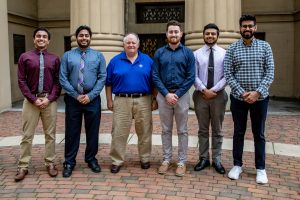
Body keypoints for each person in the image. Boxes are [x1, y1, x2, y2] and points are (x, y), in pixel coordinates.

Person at [224, 14, 274, 184]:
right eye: (244, 26)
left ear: (255, 28)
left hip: (260, 99)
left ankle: (261, 168)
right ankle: (237, 165)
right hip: (239, 99)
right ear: (240, 28)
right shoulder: (232, 48)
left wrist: (257, 93)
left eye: (250, 26)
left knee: (258, 134)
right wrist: (242, 92)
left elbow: (270, 73)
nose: (247, 29)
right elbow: (228, 74)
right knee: (238, 132)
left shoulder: (265, 47)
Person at [106, 33, 157, 174]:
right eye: (128, 42)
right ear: (124, 45)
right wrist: (109, 100)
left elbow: (155, 82)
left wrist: (154, 99)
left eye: (133, 42)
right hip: (121, 100)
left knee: (145, 131)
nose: (131, 45)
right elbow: (108, 83)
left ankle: (145, 158)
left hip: (144, 99)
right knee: (118, 132)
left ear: (138, 44)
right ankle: (116, 160)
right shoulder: (115, 61)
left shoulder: (147, 60)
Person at [59, 25, 107, 177]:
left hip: (92, 99)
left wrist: (91, 95)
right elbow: (63, 77)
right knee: (72, 132)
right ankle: (69, 162)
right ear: (76, 37)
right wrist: (75, 95)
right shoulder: (67, 56)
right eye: (81, 35)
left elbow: (102, 77)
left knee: (92, 131)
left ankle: (91, 159)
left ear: (90, 38)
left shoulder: (98, 56)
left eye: (86, 35)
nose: (84, 38)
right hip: (73, 99)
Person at [15, 27, 61, 181]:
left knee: (50, 134)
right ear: (34, 39)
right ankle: (23, 166)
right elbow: (21, 80)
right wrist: (33, 99)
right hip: (31, 101)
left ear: (48, 40)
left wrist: (50, 98)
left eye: (44, 36)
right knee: (27, 135)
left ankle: (50, 163)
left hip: (49, 101)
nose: (41, 38)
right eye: (38, 36)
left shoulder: (55, 59)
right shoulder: (25, 57)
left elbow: (57, 81)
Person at [152, 20, 195, 177]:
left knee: (182, 130)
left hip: (181, 96)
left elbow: (191, 77)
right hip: (163, 96)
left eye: (176, 32)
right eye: (171, 32)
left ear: (181, 34)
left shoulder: (188, 53)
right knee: (165, 129)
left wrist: (177, 94)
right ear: (166, 34)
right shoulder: (159, 53)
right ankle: (166, 159)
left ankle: (182, 161)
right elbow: (155, 75)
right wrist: (166, 94)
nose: (173, 34)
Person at [193, 23, 228, 174]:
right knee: (202, 129)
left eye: (213, 34)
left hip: (219, 96)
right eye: (207, 33)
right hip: (200, 95)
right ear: (203, 35)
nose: (210, 36)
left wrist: (213, 90)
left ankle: (217, 159)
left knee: (218, 129)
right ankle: (203, 158)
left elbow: (227, 75)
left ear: (217, 36)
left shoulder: (225, 53)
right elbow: (193, 75)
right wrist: (203, 89)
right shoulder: (196, 54)